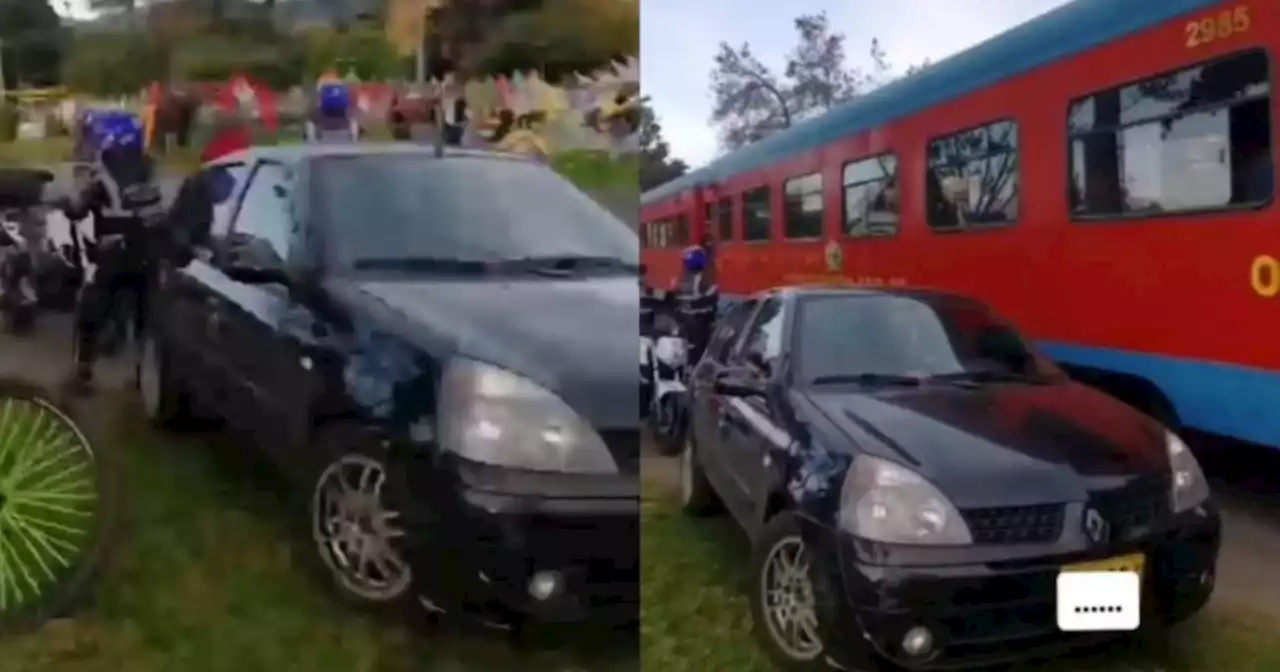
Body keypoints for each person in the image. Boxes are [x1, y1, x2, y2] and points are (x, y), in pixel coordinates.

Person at [63, 120, 164, 394]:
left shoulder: (103, 174)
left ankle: (83, 373)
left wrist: (69, 200)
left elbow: (77, 210)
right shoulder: (150, 169)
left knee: (90, 310)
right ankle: (142, 377)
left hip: (112, 257)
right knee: (145, 319)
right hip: (147, 257)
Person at [675, 245, 718, 364]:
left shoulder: (686, 277)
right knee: (697, 350)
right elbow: (711, 297)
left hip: (693, 320)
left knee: (694, 349)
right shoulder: (703, 277)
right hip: (697, 321)